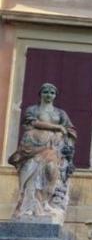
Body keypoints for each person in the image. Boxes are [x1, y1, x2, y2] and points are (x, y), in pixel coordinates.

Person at [9, 83, 77, 222]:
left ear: (55, 95)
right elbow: (32, 123)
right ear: (40, 94)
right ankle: (29, 207)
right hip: (32, 148)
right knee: (31, 176)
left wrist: (64, 137)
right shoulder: (32, 109)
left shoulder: (60, 113)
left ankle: (45, 203)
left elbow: (70, 130)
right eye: (46, 92)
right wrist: (57, 128)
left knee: (51, 172)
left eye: (52, 92)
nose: (48, 95)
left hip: (52, 147)